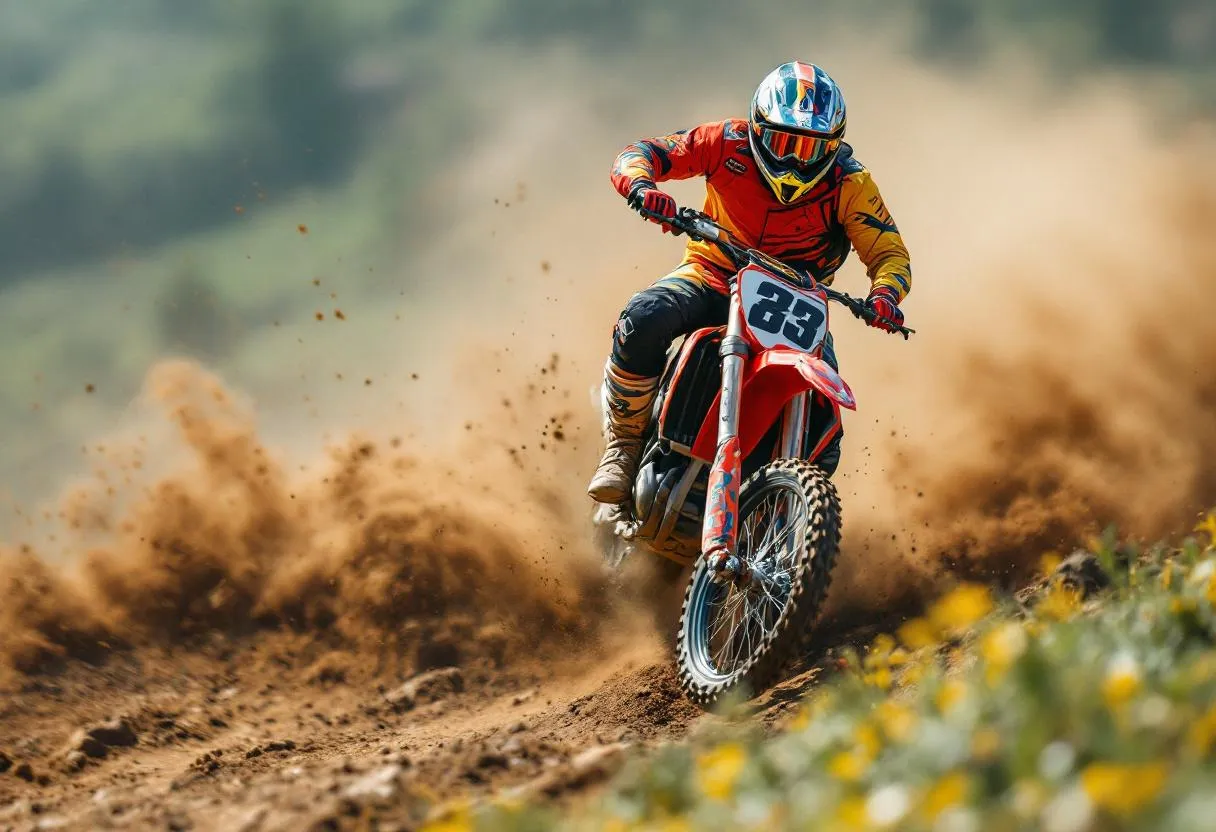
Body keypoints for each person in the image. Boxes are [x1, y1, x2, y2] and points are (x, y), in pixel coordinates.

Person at [588, 60, 912, 505]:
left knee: (826, 427)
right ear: (758, 129)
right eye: (784, 142)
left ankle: (782, 515)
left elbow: (889, 252)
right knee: (642, 318)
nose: (795, 161)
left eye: (811, 149)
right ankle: (624, 445)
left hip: (796, 303)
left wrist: (886, 295)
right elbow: (641, 153)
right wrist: (643, 188)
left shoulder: (851, 183)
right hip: (712, 272)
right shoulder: (724, 141)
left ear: (834, 146)